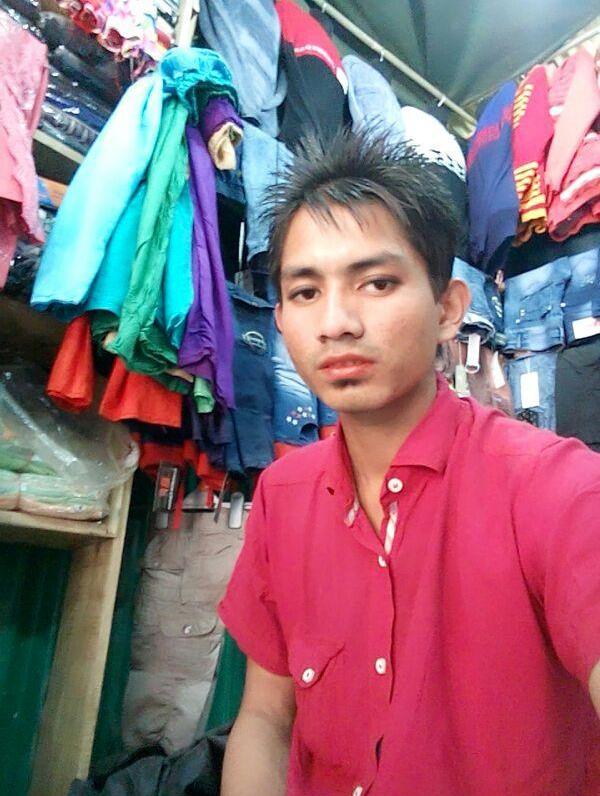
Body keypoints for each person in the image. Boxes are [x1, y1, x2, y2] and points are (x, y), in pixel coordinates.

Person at [218, 131, 600, 796]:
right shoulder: (283, 495)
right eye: (305, 292)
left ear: (449, 309)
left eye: (376, 282)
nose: (336, 322)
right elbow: (266, 720)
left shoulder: (554, 489)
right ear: (278, 317)